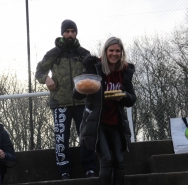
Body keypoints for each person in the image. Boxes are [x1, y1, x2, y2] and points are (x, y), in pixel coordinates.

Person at [35, 19, 97, 180]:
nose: (70, 34)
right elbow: (39, 71)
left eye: (73, 31)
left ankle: (90, 168)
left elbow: (95, 72)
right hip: (60, 103)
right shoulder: (53, 53)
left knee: (86, 135)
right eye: (67, 31)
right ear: (62, 33)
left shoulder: (84, 53)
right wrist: (46, 79)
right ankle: (64, 170)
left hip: (83, 102)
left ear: (76, 33)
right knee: (61, 137)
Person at [73, 37, 136, 185]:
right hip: (97, 123)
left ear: (121, 53)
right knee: (106, 160)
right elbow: (76, 94)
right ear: (105, 51)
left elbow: (132, 99)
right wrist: (86, 87)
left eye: (117, 51)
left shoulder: (125, 72)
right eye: (111, 50)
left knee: (119, 162)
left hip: (117, 125)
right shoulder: (94, 67)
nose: (114, 54)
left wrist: (123, 96)